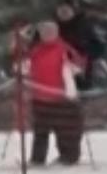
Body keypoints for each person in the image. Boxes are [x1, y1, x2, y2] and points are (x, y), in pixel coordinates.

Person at [24, 20, 88, 166]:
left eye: (49, 32)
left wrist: (73, 67)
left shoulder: (64, 49)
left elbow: (79, 66)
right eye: (43, 32)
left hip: (62, 98)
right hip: (40, 98)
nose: (46, 35)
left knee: (66, 130)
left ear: (56, 33)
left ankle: (69, 157)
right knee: (40, 132)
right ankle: (37, 159)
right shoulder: (36, 50)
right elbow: (26, 67)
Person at [53, 1, 106, 89]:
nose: (63, 13)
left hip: (82, 70)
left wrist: (84, 51)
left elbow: (98, 47)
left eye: (66, 10)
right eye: (61, 11)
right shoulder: (54, 27)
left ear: (73, 11)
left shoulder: (84, 24)